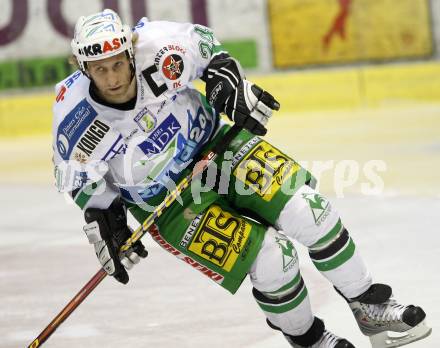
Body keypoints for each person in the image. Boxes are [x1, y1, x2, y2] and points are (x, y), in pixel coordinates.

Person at [52, 9, 431, 348]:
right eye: (99, 69)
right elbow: (80, 180)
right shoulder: (74, 115)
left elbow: (208, 51)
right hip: (167, 203)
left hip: (220, 147)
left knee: (310, 210)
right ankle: (311, 340)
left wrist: (226, 81)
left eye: (118, 64)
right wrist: (108, 221)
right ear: (83, 69)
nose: (112, 77)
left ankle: (370, 304)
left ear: (131, 53)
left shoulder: (159, 45)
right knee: (272, 261)